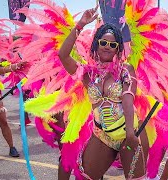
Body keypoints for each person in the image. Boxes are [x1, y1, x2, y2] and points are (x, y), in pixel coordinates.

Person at [58, 7, 145, 179]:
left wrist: (130, 133)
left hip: (127, 132)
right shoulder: (87, 73)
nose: (107, 47)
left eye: (112, 44)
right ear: (97, 43)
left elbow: (128, 98)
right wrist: (81, 24)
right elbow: (63, 55)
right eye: (103, 42)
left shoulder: (125, 70)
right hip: (102, 135)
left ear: (117, 48)